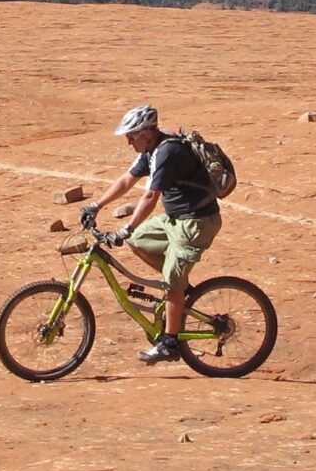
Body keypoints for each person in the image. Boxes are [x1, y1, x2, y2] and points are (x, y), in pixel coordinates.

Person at [83, 104, 222, 364]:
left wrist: (127, 227)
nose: (128, 141)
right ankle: (180, 292)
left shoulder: (167, 151)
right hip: (175, 220)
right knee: (137, 241)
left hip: (196, 223)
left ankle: (170, 343)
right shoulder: (151, 149)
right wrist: (96, 205)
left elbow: (150, 196)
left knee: (168, 278)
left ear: (147, 132)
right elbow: (127, 180)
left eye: (131, 135)